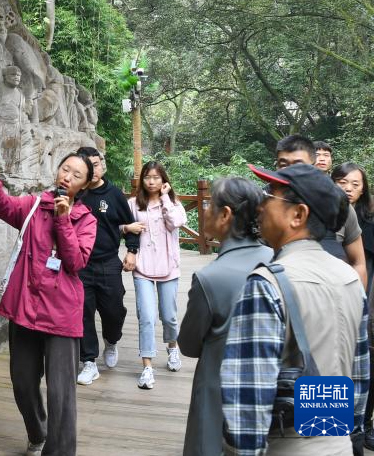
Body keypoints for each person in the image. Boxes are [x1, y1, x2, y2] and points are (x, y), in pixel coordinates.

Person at [222, 162, 369, 455]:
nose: (260, 205)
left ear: (298, 215)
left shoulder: (266, 283)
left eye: (269, 196)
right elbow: (358, 378)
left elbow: (247, 403)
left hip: (285, 446)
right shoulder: (350, 279)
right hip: (337, 442)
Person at [0, 150, 97, 456]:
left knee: (61, 394)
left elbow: (75, 261)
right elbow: (2, 207)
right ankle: (38, 433)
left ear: (84, 185)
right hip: (25, 307)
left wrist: (63, 220)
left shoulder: (86, 219)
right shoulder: (34, 205)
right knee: (23, 382)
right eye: (65, 169)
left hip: (62, 314)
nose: (67, 177)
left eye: (76, 175)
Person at [178, 178, 273, 456]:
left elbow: (188, 345)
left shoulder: (210, 277)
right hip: (270, 393)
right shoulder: (277, 259)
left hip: (218, 391)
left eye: (209, 205)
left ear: (225, 215)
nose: (205, 211)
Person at [73, 146, 140, 385]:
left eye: (96, 164)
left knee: (114, 311)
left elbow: (131, 226)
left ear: (102, 165)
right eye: (87, 166)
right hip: (80, 264)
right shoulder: (76, 194)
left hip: (109, 262)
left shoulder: (114, 195)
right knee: (83, 312)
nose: (93, 170)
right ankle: (89, 361)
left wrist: (132, 251)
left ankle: (111, 340)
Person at [275, 134, 367, 287]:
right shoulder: (268, 202)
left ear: (313, 166)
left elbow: (359, 263)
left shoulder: (339, 204)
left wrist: (357, 297)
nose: (291, 171)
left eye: (299, 165)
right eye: (284, 164)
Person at [128, 160, 186, 390]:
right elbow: (120, 225)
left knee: (169, 316)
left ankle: (172, 347)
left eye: (156, 177)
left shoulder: (173, 203)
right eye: (147, 177)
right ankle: (147, 367)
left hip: (168, 267)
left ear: (163, 180)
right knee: (147, 316)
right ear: (142, 180)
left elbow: (177, 222)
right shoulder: (133, 204)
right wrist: (127, 228)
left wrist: (165, 198)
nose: (151, 182)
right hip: (142, 267)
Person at [333, 163, 374, 450]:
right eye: (343, 182)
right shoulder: (324, 213)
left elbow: (362, 262)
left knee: (364, 360)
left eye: (355, 184)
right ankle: (329, 429)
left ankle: (360, 427)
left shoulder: (369, 219)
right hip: (329, 294)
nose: (348, 189)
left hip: (363, 294)